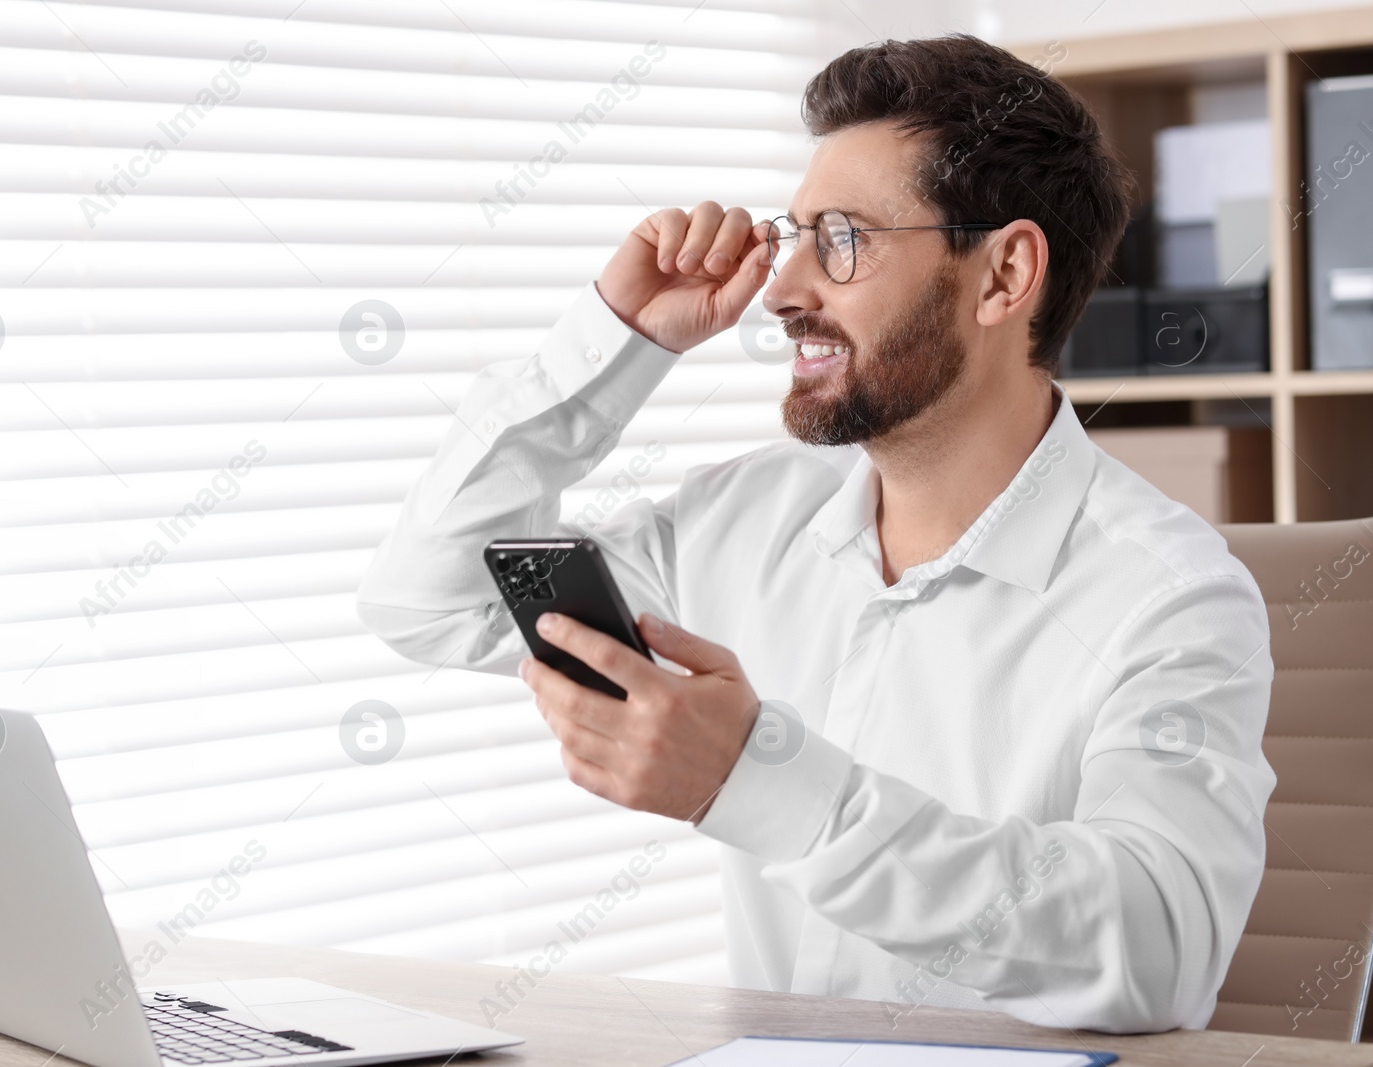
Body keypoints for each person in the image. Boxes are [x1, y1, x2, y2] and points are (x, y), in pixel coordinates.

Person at [356, 34, 1274, 1033]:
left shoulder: (1169, 596)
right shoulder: (744, 520)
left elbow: (1156, 955)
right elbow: (430, 598)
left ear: (1003, 273)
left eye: (841, 239)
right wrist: (614, 340)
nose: (784, 289)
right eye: (791, 234)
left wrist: (758, 779)